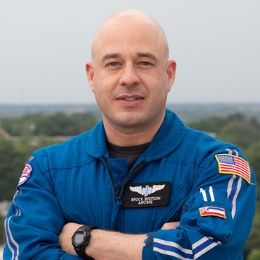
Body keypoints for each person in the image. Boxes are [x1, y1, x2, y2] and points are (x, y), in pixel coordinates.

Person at [4, 9, 256, 260]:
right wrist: (160, 248)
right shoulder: (48, 170)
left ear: (168, 74)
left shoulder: (217, 165)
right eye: (113, 64)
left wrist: (85, 240)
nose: (128, 78)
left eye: (144, 63)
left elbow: (207, 252)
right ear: (92, 76)